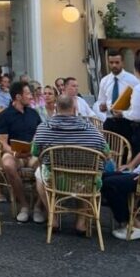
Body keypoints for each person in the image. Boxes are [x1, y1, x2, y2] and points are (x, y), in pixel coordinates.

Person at [31, 92, 109, 229]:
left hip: (56, 182)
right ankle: (81, 220)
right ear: (74, 109)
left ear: (56, 109)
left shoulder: (44, 128)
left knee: (39, 173)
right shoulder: (91, 129)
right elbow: (106, 152)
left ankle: (52, 216)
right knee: (87, 171)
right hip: (86, 182)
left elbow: (35, 152)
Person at [0, 81, 41, 222]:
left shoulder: (34, 114)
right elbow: (3, 142)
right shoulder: (4, 115)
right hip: (15, 153)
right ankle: (24, 205)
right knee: (8, 163)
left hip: (32, 153)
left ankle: (39, 206)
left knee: (48, 163)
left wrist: (35, 145)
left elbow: (40, 135)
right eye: (28, 93)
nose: (31, 96)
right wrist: (14, 153)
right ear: (18, 97)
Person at [101, 146, 140, 240]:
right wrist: (131, 165)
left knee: (110, 184)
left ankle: (133, 224)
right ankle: (128, 220)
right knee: (101, 177)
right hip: (136, 173)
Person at [96, 50, 135, 122]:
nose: (114, 65)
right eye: (111, 63)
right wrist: (102, 107)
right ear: (108, 63)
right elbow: (101, 101)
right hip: (109, 120)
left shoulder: (132, 80)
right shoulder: (104, 81)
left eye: (117, 62)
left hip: (127, 120)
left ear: (122, 63)